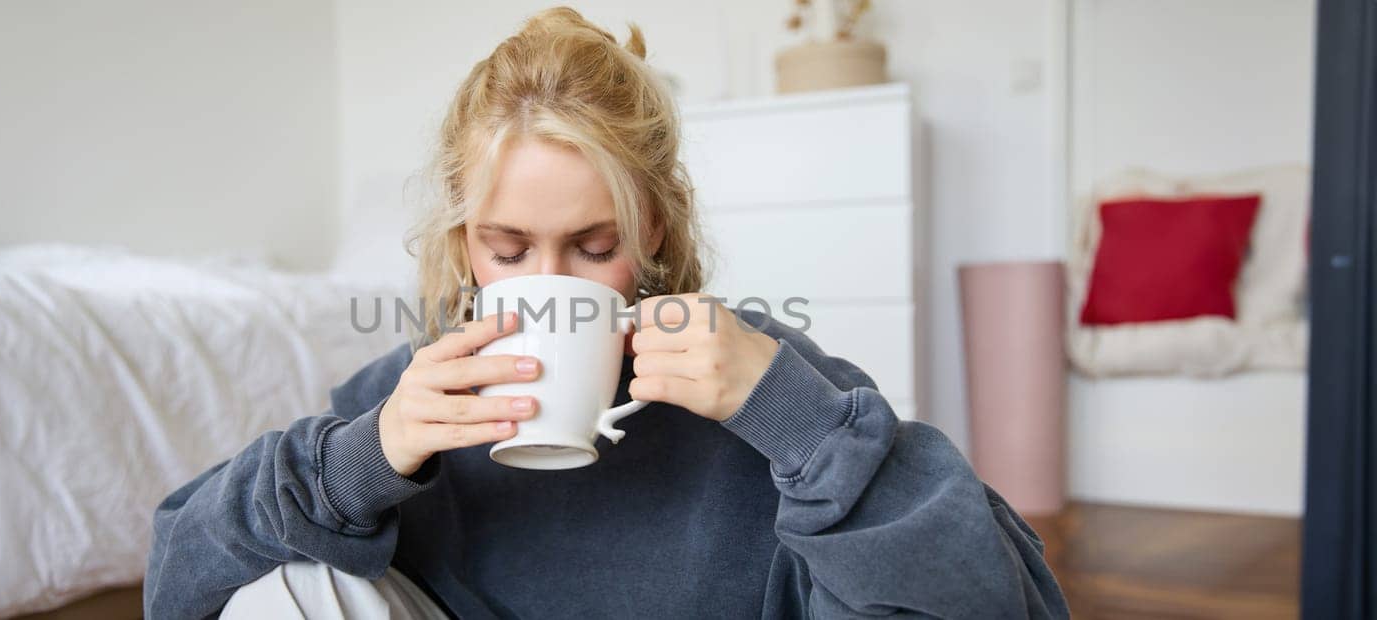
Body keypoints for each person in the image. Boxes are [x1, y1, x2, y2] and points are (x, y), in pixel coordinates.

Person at [145, 7, 1068, 618]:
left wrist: (800, 421)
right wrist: (358, 461)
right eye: (508, 250)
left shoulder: (759, 378)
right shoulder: (411, 398)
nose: (555, 282)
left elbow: (1006, 601)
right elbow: (174, 583)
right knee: (293, 591)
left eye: (595, 247)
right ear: (463, 238)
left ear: (654, 227)